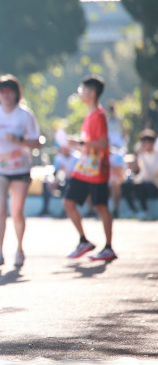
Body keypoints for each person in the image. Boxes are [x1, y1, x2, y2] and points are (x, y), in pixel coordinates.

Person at [0, 74, 41, 267]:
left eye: (9, 91)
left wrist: (20, 140)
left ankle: (19, 249)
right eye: (1, 91)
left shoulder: (25, 114)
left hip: (20, 168)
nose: (5, 95)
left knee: (17, 211)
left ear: (16, 93)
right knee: (0, 208)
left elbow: (37, 142)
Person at [64, 75, 117, 261]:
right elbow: (89, 143)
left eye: (83, 90)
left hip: (97, 170)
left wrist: (79, 143)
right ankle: (83, 241)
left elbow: (102, 143)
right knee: (68, 202)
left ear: (92, 93)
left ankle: (108, 247)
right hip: (84, 168)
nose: (80, 93)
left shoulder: (99, 116)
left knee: (101, 206)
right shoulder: (89, 115)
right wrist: (76, 144)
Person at [121, 128, 158, 219]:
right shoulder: (143, 155)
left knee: (139, 186)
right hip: (144, 183)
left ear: (151, 143)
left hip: (154, 185)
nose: (143, 145)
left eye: (145, 142)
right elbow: (142, 173)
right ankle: (133, 210)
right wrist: (134, 179)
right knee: (126, 185)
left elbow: (152, 172)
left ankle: (145, 211)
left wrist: (142, 156)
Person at [39, 144, 78, 217]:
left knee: (68, 186)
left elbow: (76, 173)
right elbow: (55, 172)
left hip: (71, 182)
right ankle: (45, 209)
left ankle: (66, 211)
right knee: (46, 184)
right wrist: (53, 181)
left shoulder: (76, 158)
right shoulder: (59, 158)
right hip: (60, 181)